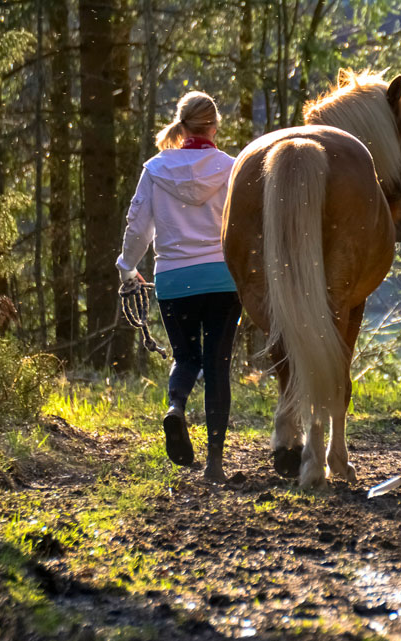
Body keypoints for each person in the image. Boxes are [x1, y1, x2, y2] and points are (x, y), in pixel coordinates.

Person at [116, 91, 240, 483]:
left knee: (186, 357)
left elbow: (138, 225)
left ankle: (175, 407)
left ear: (181, 126)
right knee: (218, 366)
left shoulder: (155, 169)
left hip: (174, 279)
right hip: (222, 280)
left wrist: (127, 268)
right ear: (215, 126)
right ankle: (215, 464)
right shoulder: (233, 168)